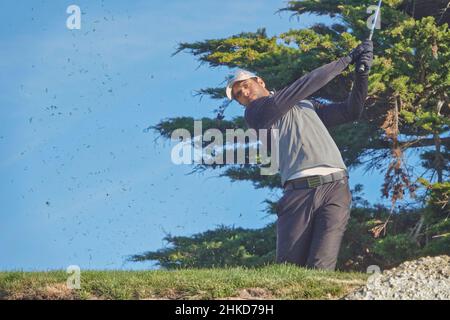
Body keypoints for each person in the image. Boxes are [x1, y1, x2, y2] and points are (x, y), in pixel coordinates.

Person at [225, 40, 374, 270]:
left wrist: (361, 74)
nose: (243, 94)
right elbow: (307, 83)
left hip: (336, 187)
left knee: (321, 268)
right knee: (289, 270)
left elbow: (350, 111)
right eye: (238, 95)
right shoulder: (256, 113)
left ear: (259, 81)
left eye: (245, 86)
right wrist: (347, 59)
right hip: (298, 193)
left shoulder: (305, 105)